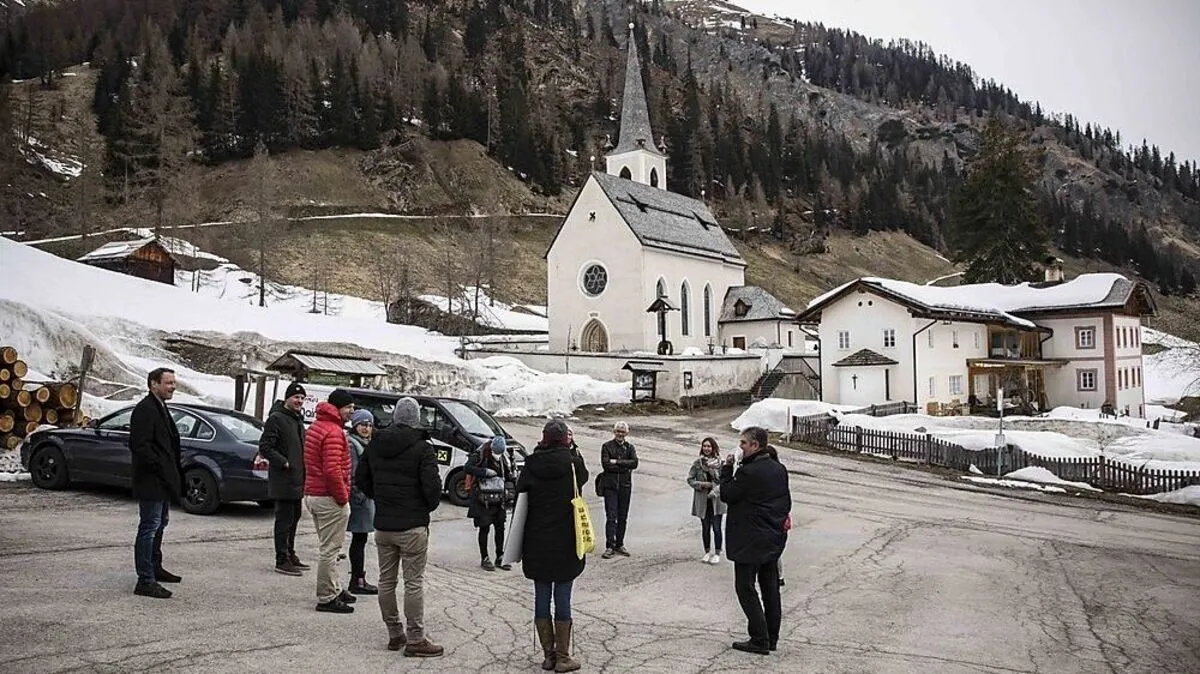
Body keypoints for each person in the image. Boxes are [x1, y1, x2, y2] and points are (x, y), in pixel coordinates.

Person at [356, 397, 444, 657]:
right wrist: (422, 506)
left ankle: (395, 632)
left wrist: (380, 498)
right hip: (412, 524)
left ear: (395, 417)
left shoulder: (375, 443)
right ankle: (416, 638)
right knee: (413, 583)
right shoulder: (423, 448)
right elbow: (433, 490)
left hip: (384, 524)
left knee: (386, 580)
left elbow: (361, 478)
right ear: (416, 419)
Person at [518, 419, 588, 673]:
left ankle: (548, 655)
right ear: (565, 439)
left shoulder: (531, 463)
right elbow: (584, 477)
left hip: (537, 540)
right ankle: (563, 656)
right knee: (563, 596)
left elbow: (520, 491)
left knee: (542, 595)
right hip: (565, 540)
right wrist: (572, 448)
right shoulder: (572, 464)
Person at [720, 426, 791, 655]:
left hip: (750, 539)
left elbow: (727, 494)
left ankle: (759, 638)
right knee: (770, 588)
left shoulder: (748, 472)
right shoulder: (779, 469)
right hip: (772, 537)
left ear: (755, 445)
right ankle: (771, 637)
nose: (740, 447)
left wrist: (727, 469)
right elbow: (785, 502)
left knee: (745, 587)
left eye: (743, 443)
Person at [129, 367, 184, 599]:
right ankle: (145, 580)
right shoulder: (145, 409)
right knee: (149, 527)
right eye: (168, 383)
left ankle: (154, 567)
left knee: (160, 524)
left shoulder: (160, 407)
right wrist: (160, 466)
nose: (173, 387)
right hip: (151, 479)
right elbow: (140, 446)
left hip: (162, 480)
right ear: (153, 384)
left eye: (173, 383)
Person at [303, 388, 357, 614]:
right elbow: (332, 470)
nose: (352, 411)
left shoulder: (317, 426)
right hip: (328, 497)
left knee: (330, 547)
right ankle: (327, 596)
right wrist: (342, 498)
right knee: (330, 549)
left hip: (313, 494)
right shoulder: (334, 432)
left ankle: (335, 588)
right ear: (338, 407)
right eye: (349, 407)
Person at [259, 381, 309, 576]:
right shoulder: (276, 419)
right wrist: (284, 462)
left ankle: (290, 553)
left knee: (295, 517)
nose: (299, 401)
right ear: (287, 398)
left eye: (302, 398)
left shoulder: (297, 419)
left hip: (297, 478)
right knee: (284, 520)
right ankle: (281, 559)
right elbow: (265, 447)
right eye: (296, 397)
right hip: (284, 479)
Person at [464, 436, 514, 571]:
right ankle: (485, 557)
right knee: (484, 527)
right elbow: (467, 468)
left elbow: (508, 475)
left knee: (500, 528)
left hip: (499, 499)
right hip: (483, 499)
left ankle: (500, 556)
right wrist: (484, 472)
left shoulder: (504, 458)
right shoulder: (480, 454)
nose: (497, 455)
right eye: (495, 453)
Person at [346, 409, 378, 595]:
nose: (366, 428)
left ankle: (358, 578)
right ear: (355, 425)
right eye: (363, 424)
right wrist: (361, 495)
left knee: (361, 538)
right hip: (360, 499)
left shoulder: (367, 444)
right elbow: (353, 475)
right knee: (359, 539)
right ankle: (357, 580)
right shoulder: (353, 445)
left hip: (366, 497)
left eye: (369, 425)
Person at [599, 421, 638, 559]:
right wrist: (624, 466)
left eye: (622, 431)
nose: (620, 434)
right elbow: (606, 465)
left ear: (627, 433)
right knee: (611, 516)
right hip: (610, 486)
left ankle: (619, 544)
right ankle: (610, 545)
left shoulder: (630, 447)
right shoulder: (606, 446)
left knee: (623, 517)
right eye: (618, 431)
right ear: (614, 432)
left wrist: (616, 461)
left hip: (625, 486)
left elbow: (635, 463)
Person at [686, 437, 727, 565]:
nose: (706, 448)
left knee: (717, 528)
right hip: (703, 500)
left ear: (713, 448)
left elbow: (724, 481)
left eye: (709, 446)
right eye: (704, 446)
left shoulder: (720, 464)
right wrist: (701, 484)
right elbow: (690, 479)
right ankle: (707, 551)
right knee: (705, 528)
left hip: (716, 500)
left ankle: (718, 552)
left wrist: (713, 482)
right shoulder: (697, 463)